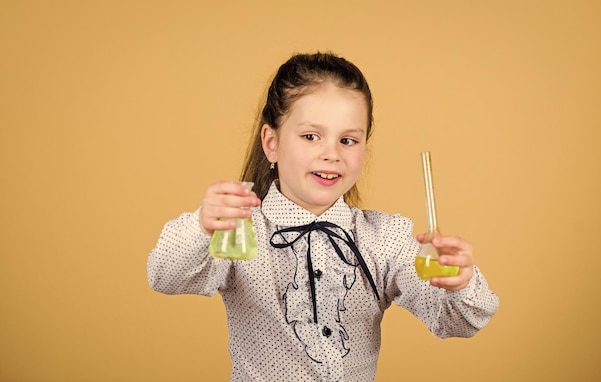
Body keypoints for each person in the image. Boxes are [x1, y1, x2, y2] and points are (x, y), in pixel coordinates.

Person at [148, 52, 499, 382]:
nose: (331, 154)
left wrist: (458, 281)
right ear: (271, 142)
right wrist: (202, 225)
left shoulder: (384, 238)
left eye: (348, 140)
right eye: (311, 136)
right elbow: (165, 275)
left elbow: (457, 322)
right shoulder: (241, 229)